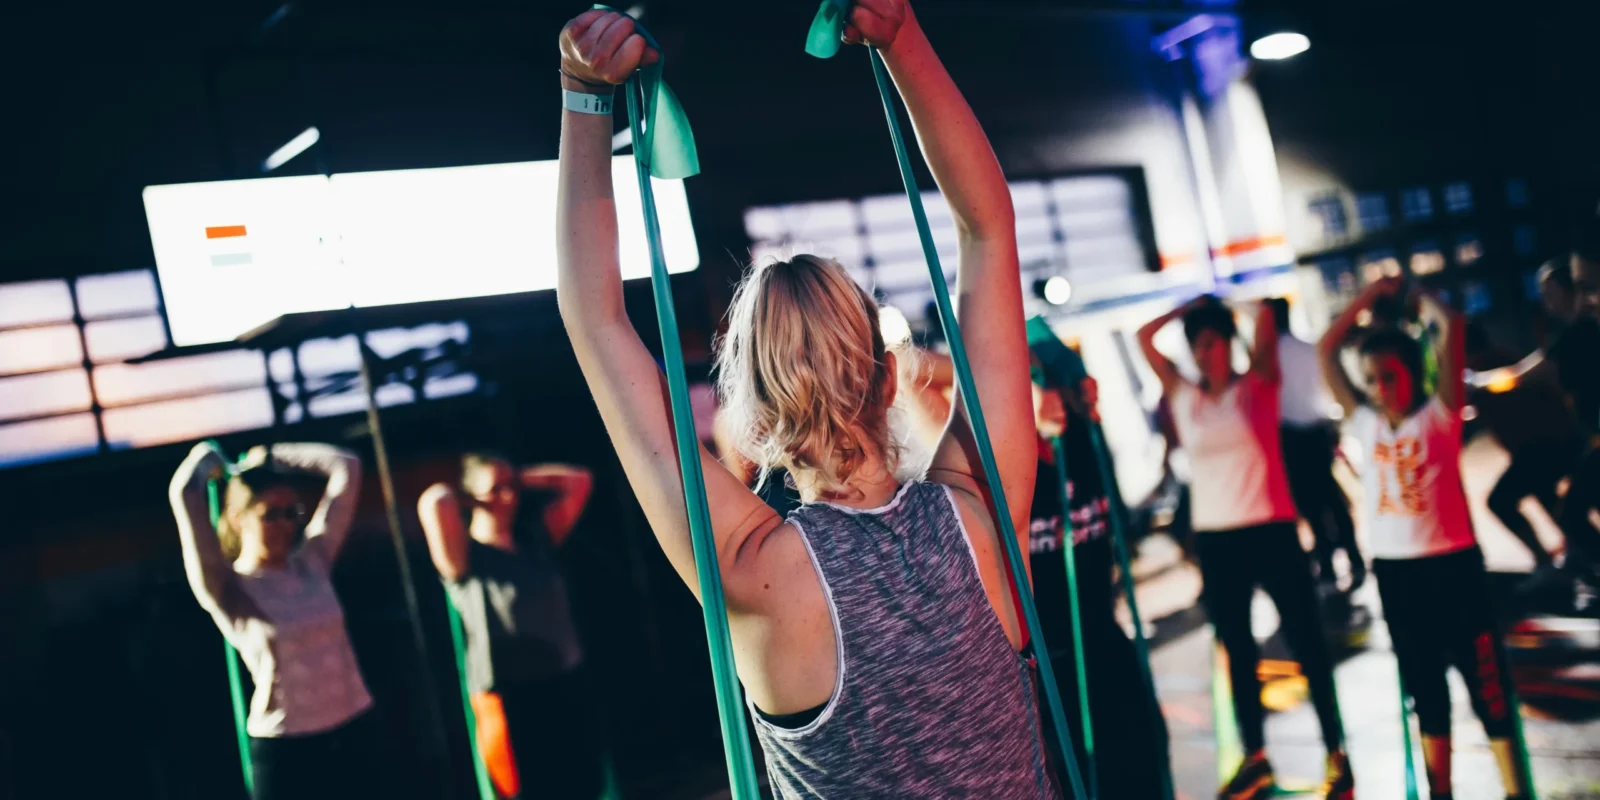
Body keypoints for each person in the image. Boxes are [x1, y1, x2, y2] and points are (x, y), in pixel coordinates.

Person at [555, 3, 1057, 796]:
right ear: (890, 379)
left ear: (750, 423)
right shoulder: (981, 513)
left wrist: (584, 98)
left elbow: (596, 321)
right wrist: (902, 36)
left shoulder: (756, 572)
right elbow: (988, 228)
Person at [1317, 277, 1529, 800]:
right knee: (1425, 689)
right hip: (1397, 572)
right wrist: (1364, 300)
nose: (1379, 387)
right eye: (1371, 378)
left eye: (1389, 376)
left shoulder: (1440, 417)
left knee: (1487, 685)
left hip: (1453, 567)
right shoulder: (1364, 423)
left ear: (1412, 375)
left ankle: (1515, 789)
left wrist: (1414, 297)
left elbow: (1451, 327)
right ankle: (1441, 792)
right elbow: (1327, 348)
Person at [1136, 296, 1352, 800]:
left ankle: (1336, 753)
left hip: (1271, 531)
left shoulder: (1258, 386)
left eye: (1213, 342)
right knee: (1237, 650)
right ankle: (1256, 758)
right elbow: (1145, 336)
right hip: (1218, 541)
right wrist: (1191, 305)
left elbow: (1268, 318)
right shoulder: (1184, 396)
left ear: (1230, 343)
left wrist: (1226, 304)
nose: (1205, 353)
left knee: (1308, 644)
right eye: (1197, 344)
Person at [168, 441, 378, 800]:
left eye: (290, 513)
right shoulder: (227, 586)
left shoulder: (312, 560)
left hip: (353, 729)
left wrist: (270, 455)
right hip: (289, 750)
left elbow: (348, 466)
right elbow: (185, 491)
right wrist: (207, 458)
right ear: (239, 518)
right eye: (270, 514)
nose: (285, 525)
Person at [417, 454, 601, 800]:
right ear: (472, 496)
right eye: (496, 489)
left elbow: (579, 481)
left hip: (564, 684)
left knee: (581, 785)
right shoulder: (464, 557)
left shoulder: (536, 539)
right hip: (510, 697)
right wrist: (473, 496)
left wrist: (520, 477)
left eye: (512, 488)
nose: (508, 497)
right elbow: (434, 502)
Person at [1030, 355, 1172, 799]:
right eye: (1031, 382)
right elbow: (922, 376)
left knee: (1146, 755)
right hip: (1046, 663)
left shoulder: (1085, 443)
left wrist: (1083, 399)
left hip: (1104, 637)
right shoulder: (997, 462)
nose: (1047, 394)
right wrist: (1020, 393)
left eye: (1046, 380)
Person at [1463, 321, 1578, 570]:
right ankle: (1574, 556)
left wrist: (1475, 384)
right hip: (1541, 448)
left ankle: (1547, 562)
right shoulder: (1493, 362)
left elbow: (1507, 384)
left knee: (1501, 501)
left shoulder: (1486, 369)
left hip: (1545, 447)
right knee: (1550, 499)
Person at [1267, 297, 1364, 591]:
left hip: (1292, 438)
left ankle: (1327, 566)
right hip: (1318, 430)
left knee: (1310, 504)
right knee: (1332, 498)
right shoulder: (1307, 349)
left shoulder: (1268, 356)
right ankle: (1354, 558)